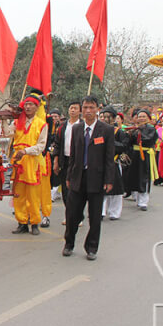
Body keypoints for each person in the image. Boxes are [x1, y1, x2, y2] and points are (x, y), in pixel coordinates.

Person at [62, 96, 115, 260]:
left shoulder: (106, 130)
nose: (88, 111)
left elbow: (109, 158)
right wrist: (69, 176)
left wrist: (109, 180)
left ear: (97, 109)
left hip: (97, 179)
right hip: (78, 177)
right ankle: (69, 244)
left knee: (95, 216)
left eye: (91, 107)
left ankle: (92, 247)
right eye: (85, 107)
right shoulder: (77, 128)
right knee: (72, 215)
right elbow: (73, 155)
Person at [10, 92, 47, 236]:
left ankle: (35, 222)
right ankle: (22, 222)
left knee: (33, 195)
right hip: (18, 162)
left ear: (37, 107)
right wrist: (4, 119)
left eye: (31, 104)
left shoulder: (41, 124)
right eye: (26, 104)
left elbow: (41, 146)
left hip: (32, 162)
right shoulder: (17, 122)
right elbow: (6, 133)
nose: (28, 107)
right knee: (19, 194)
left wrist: (25, 151)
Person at [52, 101, 82, 222]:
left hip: (78, 162)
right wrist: (56, 161)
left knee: (77, 190)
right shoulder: (63, 127)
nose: (73, 110)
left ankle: (78, 216)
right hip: (65, 161)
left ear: (80, 111)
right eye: (71, 108)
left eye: (75, 108)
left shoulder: (83, 125)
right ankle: (69, 215)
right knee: (65, 190)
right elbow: (57, 145)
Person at [127, 109, 158, 211]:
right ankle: (136, 197)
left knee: (144, 176)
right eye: (139, 116)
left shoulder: (151, 128)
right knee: (134, 176)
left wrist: (138, 133)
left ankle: (143, 201)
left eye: (144, 116)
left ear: (148, 118)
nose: (141, 118)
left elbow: (148, 140)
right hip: (135, 154)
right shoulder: (135, 128)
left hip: (145, 154)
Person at [100, 107, 127, 221]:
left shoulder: (119, 132)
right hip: (100, 162)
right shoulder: (98, 130)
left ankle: (114, 212)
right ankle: (100, 211)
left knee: (116, 189)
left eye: (108, 117)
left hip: (114, 162)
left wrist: (110, 142)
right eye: (103, 116)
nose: (106, 119)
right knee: (100, 189)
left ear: (114, 118)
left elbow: (124, 146)